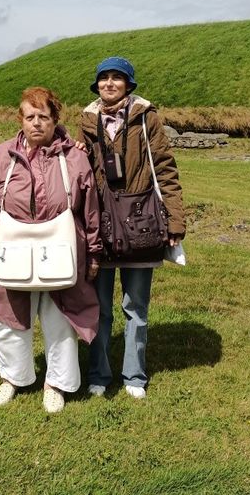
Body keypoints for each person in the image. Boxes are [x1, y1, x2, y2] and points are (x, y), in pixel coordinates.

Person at [0, 87, 102, 414]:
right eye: (29, 117)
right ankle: (13, 378)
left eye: (43, 117)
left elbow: (90, 210)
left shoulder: (74, 157)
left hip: (62, 250)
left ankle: (56, 384)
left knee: (60, 317)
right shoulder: (4, 154)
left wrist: (94, 253)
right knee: (10, 316)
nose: (36, 124)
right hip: (13, 250)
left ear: (55, 119)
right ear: (21, 120)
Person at [80, 57, 185, 399]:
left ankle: (134, 376)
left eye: (117, 78)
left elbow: (165, 168)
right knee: (99, 308)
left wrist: (175, 220)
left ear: (129, 84)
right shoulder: (86, 120)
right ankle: (98, 373)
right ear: (97, 85)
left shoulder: (146, 118)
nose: (109, 83)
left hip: (141, 219)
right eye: (103, 78)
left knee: (135, 308)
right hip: (102, 222)